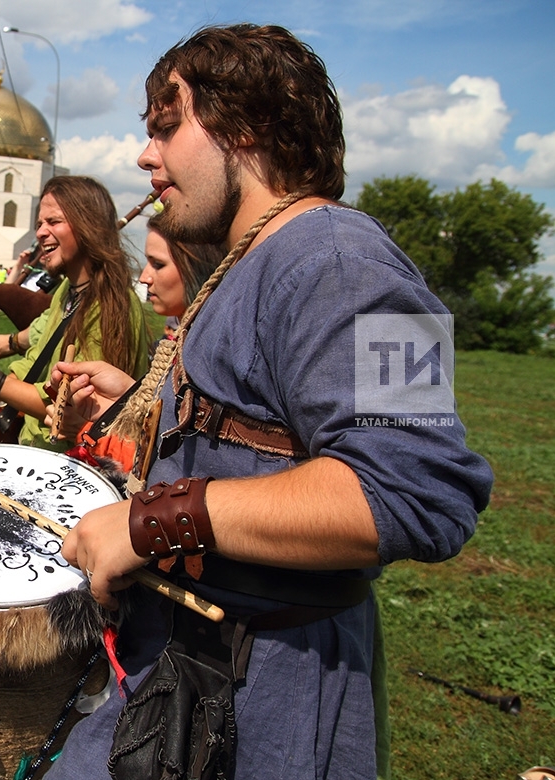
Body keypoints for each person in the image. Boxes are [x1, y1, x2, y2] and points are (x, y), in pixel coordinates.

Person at [43, 25, 495, 780]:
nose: (145, 156)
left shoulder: (348, 262)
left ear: (244, 124)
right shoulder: (248, 262)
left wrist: (151, 522)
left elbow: (419, 491)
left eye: (165, 127)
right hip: (184, 672)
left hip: (266, 702)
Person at [0, 176, 150, 450]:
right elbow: (35, 361)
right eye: (39, 224)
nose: (40, 233)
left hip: (76, 467)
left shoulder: (112, 304)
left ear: (89, 226)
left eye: (54, 222)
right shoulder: (67, 290)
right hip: (40, 452)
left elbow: (71, 405)